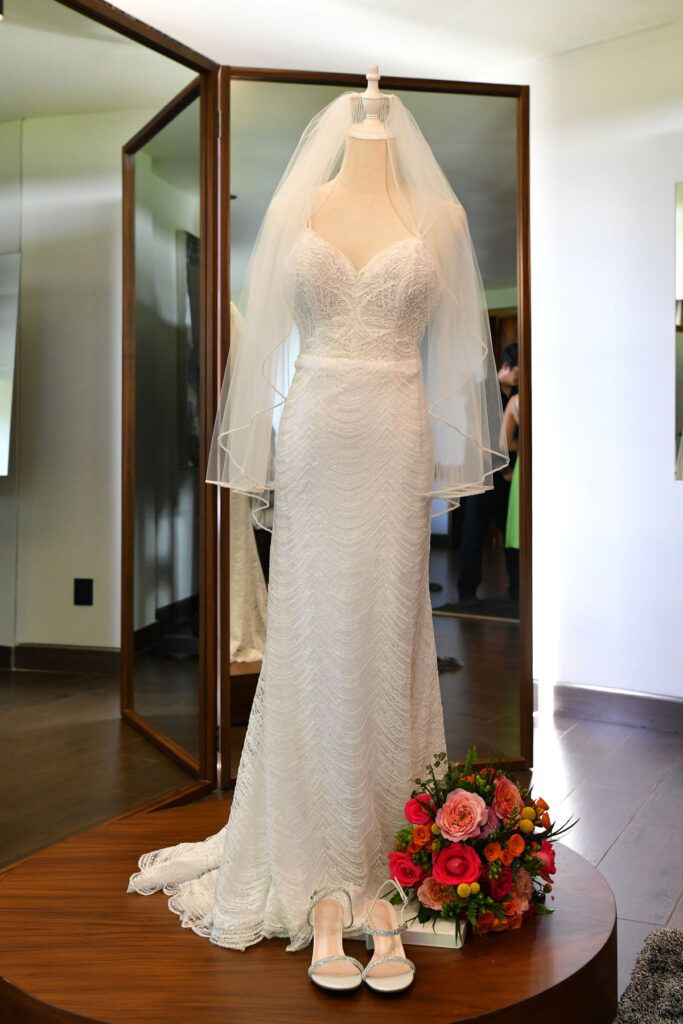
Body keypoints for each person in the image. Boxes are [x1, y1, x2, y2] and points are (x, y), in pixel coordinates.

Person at [457, 342, 518, 602]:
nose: (520, 378)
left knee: (511, 529)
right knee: (474, 529)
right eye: (518, 372)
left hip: (507, 474)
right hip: (481, 472)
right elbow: (476, 434)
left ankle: (517, 588)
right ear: (506, 366)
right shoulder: (482, 389)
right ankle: (467, 591)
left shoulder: (519, 394)